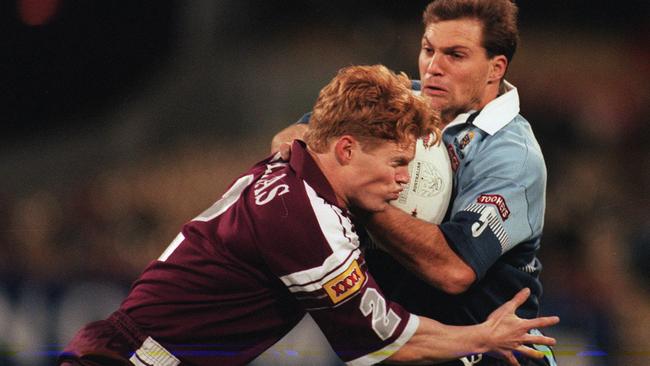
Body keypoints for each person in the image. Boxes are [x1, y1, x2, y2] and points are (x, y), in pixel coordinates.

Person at [58, 65, 558, 366]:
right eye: (398, 163)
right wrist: (483, 337)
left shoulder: (289, 173)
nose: (406, 181)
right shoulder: (308, 222)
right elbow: (386, 343)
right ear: (345, 149)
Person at [271, 1, 553, 365]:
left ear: (495, 68)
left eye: (455, 55)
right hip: (406, 349)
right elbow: (292, 140)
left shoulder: (511, 154)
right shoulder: (399, 102)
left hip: (491, 355)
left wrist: (359, 193)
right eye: (428, 50)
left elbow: (452, 270)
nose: (434, 67)